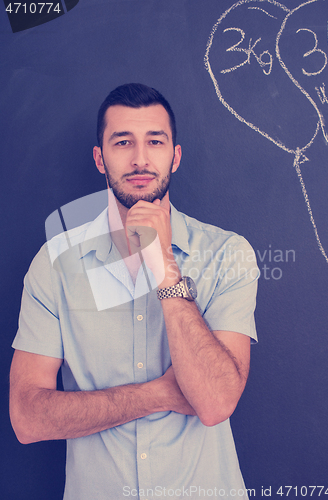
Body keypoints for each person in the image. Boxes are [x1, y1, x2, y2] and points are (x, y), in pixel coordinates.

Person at [10, 83, 259, 500]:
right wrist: (158, 394)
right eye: (122, 142)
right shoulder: (54, 265)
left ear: (175, 157)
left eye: (155, 141)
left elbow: (215, 402)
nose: (140, 159)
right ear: (99, 158)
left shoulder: (227, 254)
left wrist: (164, 268)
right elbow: (28, 419)